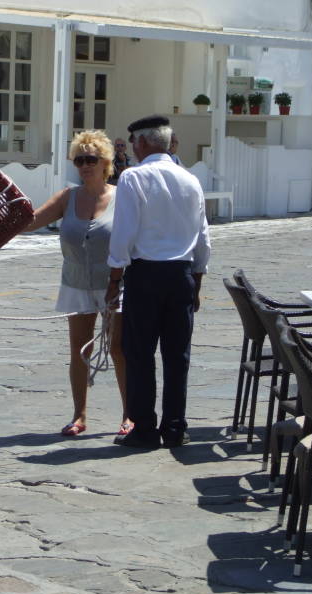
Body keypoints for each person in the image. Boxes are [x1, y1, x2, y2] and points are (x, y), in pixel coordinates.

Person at [106, 115, 211, 449]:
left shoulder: (133, 177)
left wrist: (114, 277)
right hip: (180, 274)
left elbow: (124, 232)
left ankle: (145, 428)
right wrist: (197, 279)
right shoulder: (190, 179)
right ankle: (176, 426)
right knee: (177, 355)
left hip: (146, 273)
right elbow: (203, 235)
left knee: (139, 353)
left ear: (143, 143)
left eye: (135, 142)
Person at [24, 129, 130, 437]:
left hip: (115, 283)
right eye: (79, 159)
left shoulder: (121, 197)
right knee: (79, 350)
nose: (84, 165)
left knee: (119, 349)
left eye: (91, 159)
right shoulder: (68, 197)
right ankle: (79, 415)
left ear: (105, 162)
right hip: (76, 282)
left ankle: (129, 415)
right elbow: (30, 221)